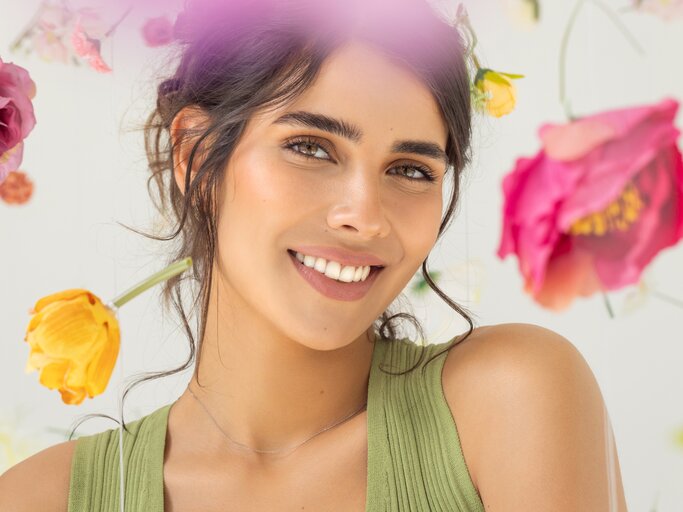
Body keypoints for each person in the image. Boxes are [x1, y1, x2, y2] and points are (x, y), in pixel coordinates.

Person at [0, 0, 628, 510]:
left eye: (409, 169)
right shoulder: (40, 499)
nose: (364, 213)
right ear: (195, 155)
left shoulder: (512, 400)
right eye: (312, 148)